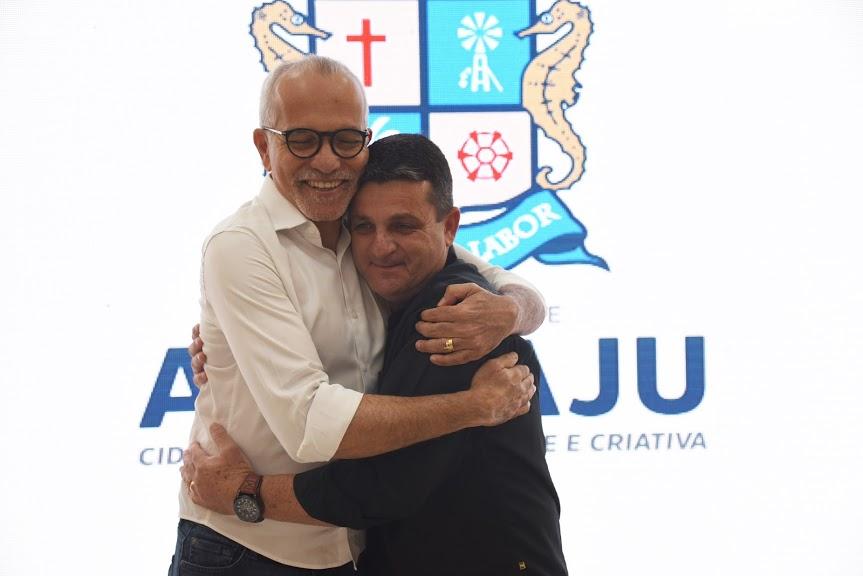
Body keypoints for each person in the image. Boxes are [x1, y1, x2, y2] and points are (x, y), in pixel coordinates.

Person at [170, 56, 547, 575]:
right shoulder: (241, 247)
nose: (327, 161)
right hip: (249, 549)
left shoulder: (360, 227)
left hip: (349, 551)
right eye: (302, 140)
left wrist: (511, 311)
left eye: (346, 140)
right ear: (264, 147)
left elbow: (490, 274)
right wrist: (472, 406)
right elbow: (310, 423)